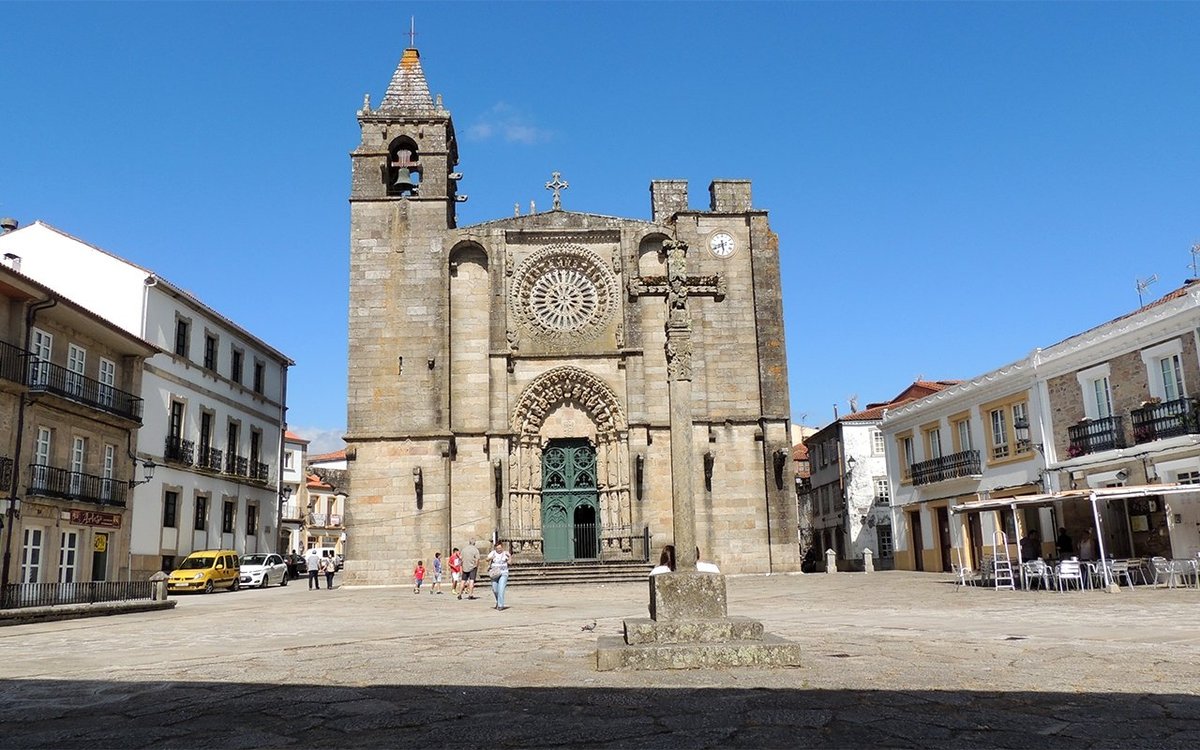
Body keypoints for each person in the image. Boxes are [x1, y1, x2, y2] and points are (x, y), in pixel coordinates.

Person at [486, 541, 512, 610]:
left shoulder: (505, 553)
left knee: (501, 589)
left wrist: (509, 557)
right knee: (495, 590)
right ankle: (498, 601)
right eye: (497, 548)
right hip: (494, 574)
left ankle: (500, 605)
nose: (499, 550)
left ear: (502, 547)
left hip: (504, 573)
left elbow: (510, 562)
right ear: (495, 548)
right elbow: (486, 559)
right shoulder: (493, 553)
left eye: (500, 548)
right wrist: (491, 558)